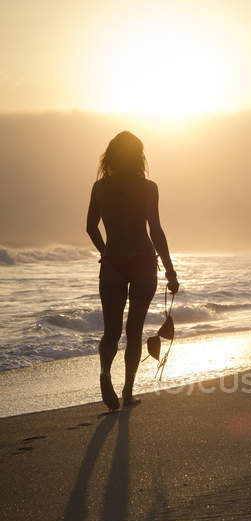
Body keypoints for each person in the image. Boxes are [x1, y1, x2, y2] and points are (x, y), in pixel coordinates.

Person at [86, 130, 179, 409]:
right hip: (143, 261)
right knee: (134, 329)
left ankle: (105, 373)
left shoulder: (100, 188)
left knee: (111, 331)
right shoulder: (149, 188)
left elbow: (90, 227)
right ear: (139, 156)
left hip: (113, 262)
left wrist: (106, 252)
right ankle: (127, 391)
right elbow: (157, 231)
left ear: (111, 155)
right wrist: (170, 271)